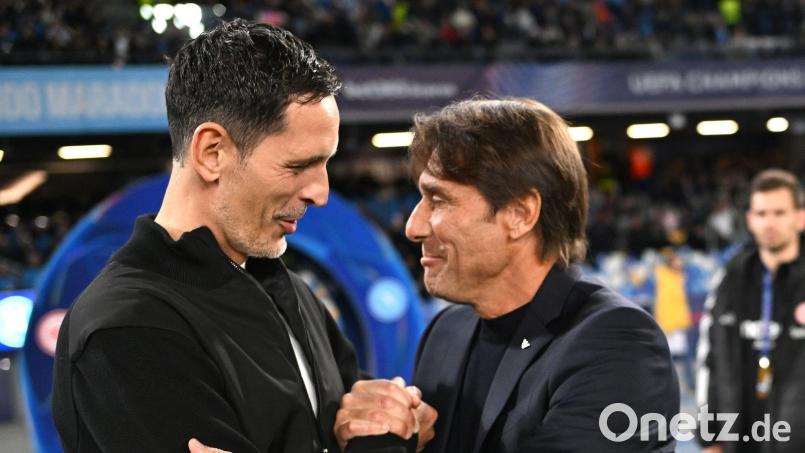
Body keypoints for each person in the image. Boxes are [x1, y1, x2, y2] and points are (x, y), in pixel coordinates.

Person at [52, 19, 434, 453]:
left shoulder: (289, 292)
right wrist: (385, 443)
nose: (322, 193)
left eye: (325, 164)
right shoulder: (126, 330)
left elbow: (352, 413)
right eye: (298, 166)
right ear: (212, 152)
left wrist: (392, 411)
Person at [402, 98, 679, 452]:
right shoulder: (445, 332)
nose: (414, 226)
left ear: (520, 214)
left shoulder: (618, 344)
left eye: (438, 200)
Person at [697, 169, 805, 453]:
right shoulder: (730, 279)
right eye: (761, 213)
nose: (770, 222)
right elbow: (710, 359)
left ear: (800, 217)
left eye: (780, 212)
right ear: (749, 220)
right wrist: (710, 436)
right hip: (741, 439)